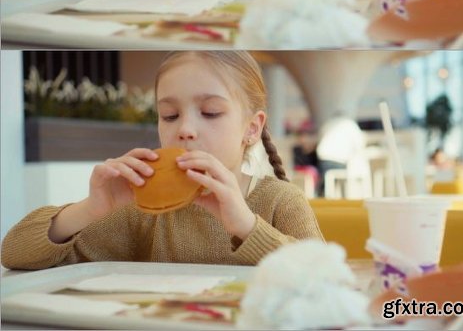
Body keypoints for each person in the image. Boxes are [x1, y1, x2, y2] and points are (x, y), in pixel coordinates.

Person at [1, 47, 322, 268]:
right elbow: (14, 252)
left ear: (252, 129)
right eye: (169, 115)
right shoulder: (143, 210)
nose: (185, 129)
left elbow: (329, 285)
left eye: (210, 112)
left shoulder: (282, 201)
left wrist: (247, 226)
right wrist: (89, 209)